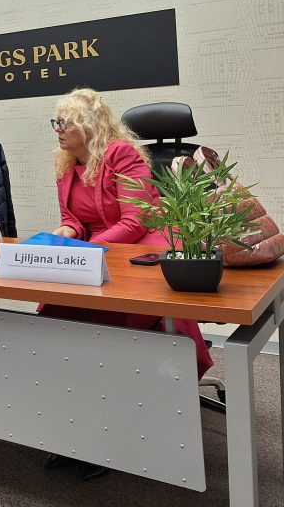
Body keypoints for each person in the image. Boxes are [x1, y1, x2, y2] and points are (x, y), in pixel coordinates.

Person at [41, 88, 214, 379]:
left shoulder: (122, 153)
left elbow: (136, 221)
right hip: (99, 245)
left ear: (89, 126)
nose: (57, 130)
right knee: (57, 302)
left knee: (121, 300)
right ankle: (82, 376)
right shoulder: (65, 162)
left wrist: (87, 250)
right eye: (56, 122)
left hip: (142, 242)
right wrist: (60, 235)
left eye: (65, 123)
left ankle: (144, 378)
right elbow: (72, 220)